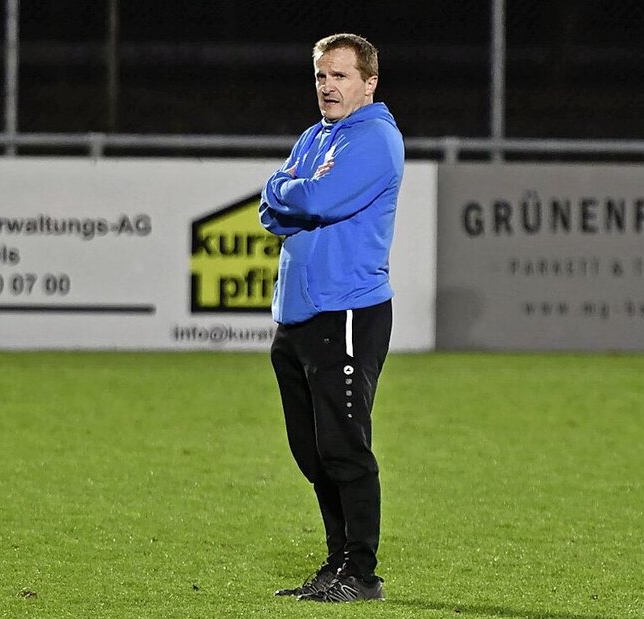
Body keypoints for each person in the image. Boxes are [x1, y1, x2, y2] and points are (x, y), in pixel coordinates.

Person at [258, 32, 404, 603]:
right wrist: (291, 193)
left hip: (346, 311)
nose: (327, 86)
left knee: (344, 448)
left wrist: (289, 191)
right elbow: (270, 209)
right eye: (321, 75)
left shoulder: (374, 138)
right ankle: (337, 563)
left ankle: (361, 574)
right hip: (297, 315)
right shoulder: (315, 136)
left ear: (369, 82)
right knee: (312, 451)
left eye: (340, 75)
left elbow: (312, 202)